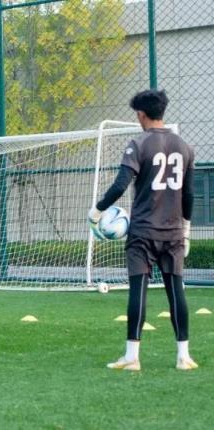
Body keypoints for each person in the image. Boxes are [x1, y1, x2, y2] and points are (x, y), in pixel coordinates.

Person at [88, 89, 197, 371]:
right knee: (176, 290)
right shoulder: (185, 147)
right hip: (174, 232)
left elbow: (120, 185)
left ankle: (132, 357)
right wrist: (186, 228)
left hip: (143, 232)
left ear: (141, 114)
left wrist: (97, 210)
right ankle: (184, 357)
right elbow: (188, 195)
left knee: (138, 289)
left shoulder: (138, 144)